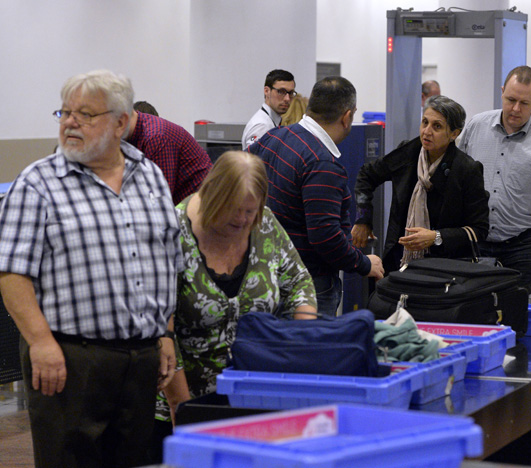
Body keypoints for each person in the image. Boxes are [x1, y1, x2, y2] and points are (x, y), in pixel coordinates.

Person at [0, 69, 181, 468]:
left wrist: (165, 334)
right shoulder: (38, 184)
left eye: (85, 114)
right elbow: (11, 274)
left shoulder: (149, 176)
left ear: (122, 122)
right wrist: (41, 342)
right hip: (69, 359)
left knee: (132, 459)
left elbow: (166, 262)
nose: (70, 122)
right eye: (64, 112)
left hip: (140, 358)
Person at [152, 151, 317, 459]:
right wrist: (186, 414)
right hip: (184, 405)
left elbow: (299, 283)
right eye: (234, 211)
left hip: (255, 404)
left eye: (250, 211)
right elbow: (160, 329)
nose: (243, 220)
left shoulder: (264, 225)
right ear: (212, 197)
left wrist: (300, 343)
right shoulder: (172, 231)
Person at [248, 76, 384, 316]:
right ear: (347, 116)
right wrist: (364, 264)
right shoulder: (322, 163)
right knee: (309, 351)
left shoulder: (273, 138)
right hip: (309, 285)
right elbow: (325, 237)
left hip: (265, 275)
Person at [459, 65, 531, 288]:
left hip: (524, 246)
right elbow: (454, 180)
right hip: (475, 241)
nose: (515, 108)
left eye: (524, 103)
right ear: (502, 92)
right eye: (510, 99)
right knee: (474, 311)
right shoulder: (476, 127)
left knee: (524, 312)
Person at [352, 95, 490, 273]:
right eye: (425, 122)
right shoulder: (409, 152)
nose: (427, 131)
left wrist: (436, 237)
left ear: (454, 134)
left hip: (446, 266)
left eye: (437, 126)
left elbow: (479, 229)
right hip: (400, 260)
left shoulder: (467, 169)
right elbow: (367, 175)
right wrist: (363, 218)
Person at [125, 108, 212, 204]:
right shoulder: (134, 137)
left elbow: (158, 201)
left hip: (203, 206)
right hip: (185, 205)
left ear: (121, 121)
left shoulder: (156, 137)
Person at [242, 69, 296, 149]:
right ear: (266, 91)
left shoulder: (271, 121)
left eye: (290, 93)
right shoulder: (262, 126)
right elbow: (253, 160)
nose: (287, 99)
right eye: (281, 92)